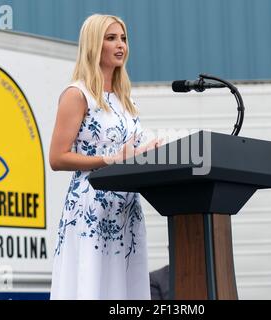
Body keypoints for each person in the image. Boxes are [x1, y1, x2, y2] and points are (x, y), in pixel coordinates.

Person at [49, 14, 160, 299]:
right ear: (93, 45)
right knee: (92, 284)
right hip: (91, 207)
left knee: (125, 288)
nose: (120, 45)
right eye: (110, 38)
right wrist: (110, 160)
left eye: (123, 38)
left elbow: (130, 150)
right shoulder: (78, 94)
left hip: (126, 208)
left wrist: (151, 151)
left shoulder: (128, 101)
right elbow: (57, 158)